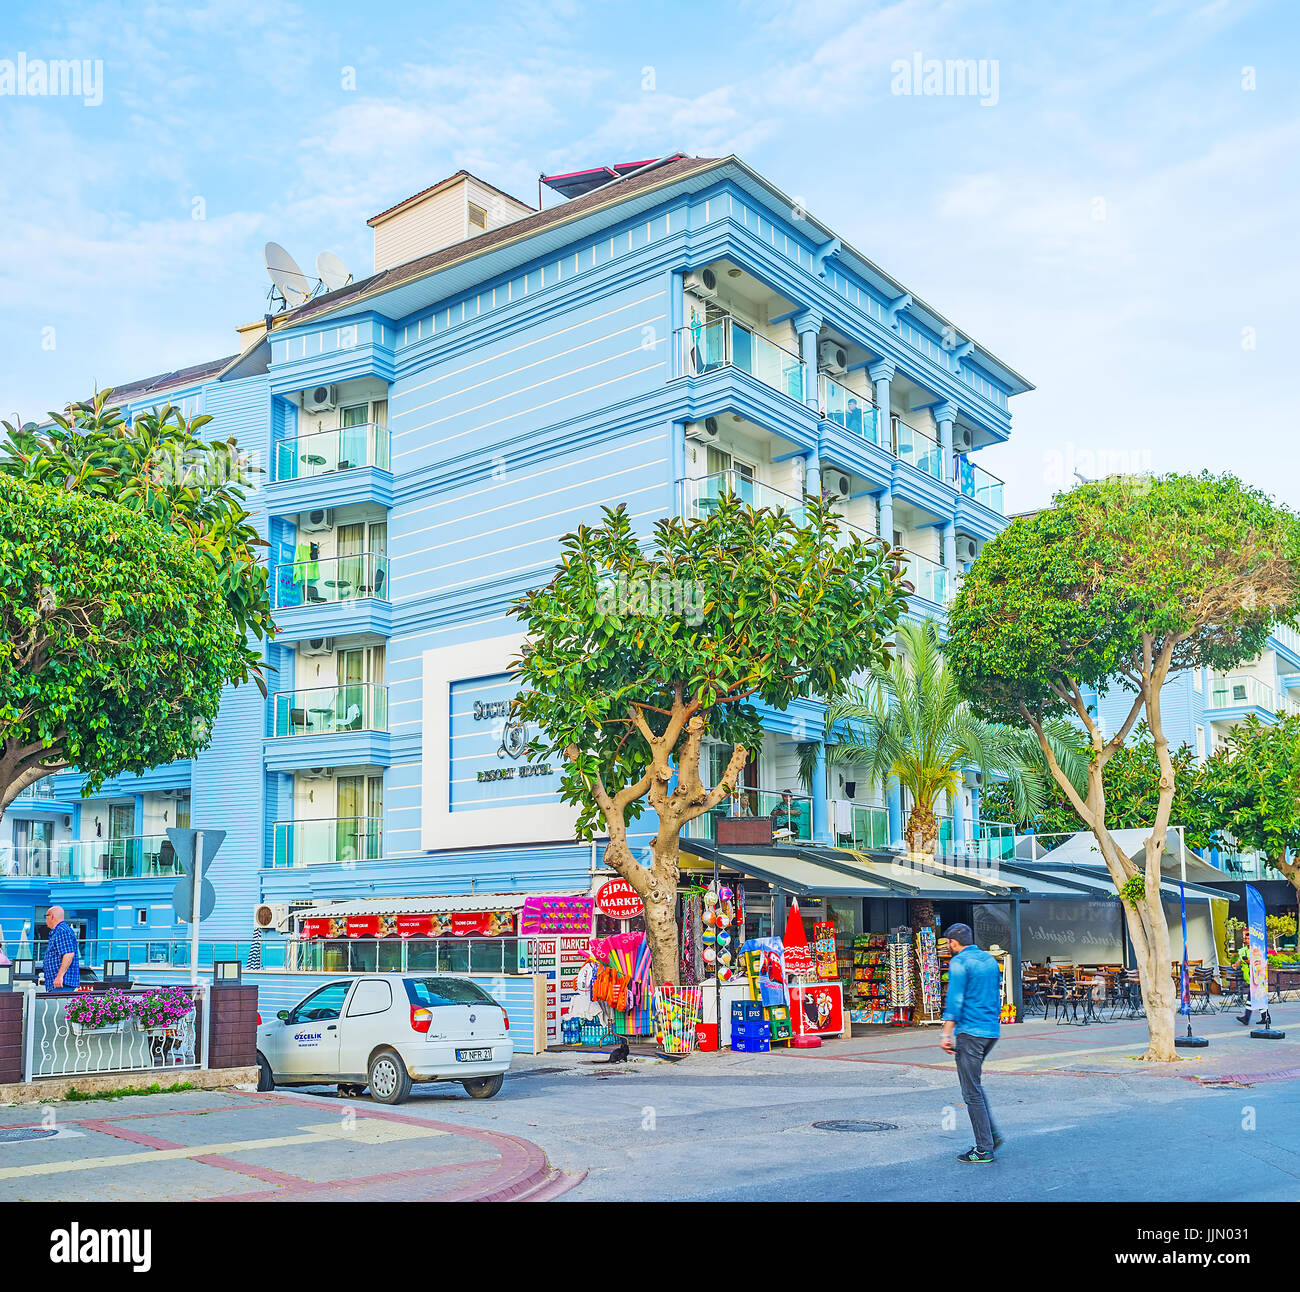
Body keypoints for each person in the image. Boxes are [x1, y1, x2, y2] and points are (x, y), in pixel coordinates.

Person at [940, 922, 1003, 1164]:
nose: (948, 946)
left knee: (971, 1091)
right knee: (974, 1086)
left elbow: (955, 999)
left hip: (971, 1032)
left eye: (948, 942)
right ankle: (991, 1135)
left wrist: (946, 1033)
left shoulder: (959, 962)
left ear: (955, 942)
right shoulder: (989, 960)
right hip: (990, 1031)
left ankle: (984, 1148)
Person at [42, 906, 80, 993]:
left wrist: (60, 976)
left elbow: (68, 954)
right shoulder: (59, 931)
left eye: (46, 916)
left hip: (62, 983)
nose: (45, 919)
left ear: (51, 916)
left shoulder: (61, 930)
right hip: (58, 983)